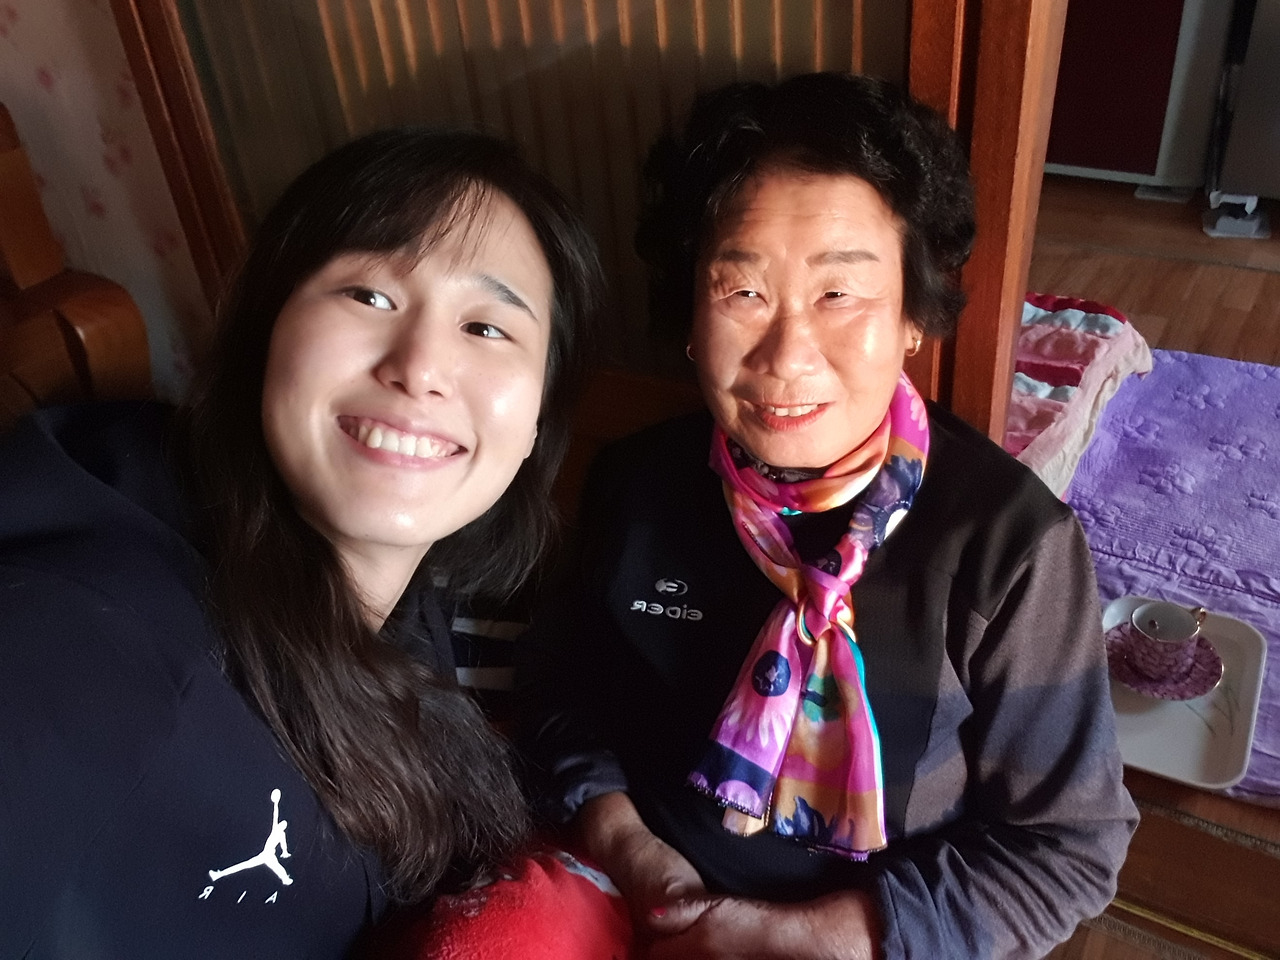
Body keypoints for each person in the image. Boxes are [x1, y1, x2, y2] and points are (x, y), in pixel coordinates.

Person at [520, 72, 1138, 959]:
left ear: (914, 318)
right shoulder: (633, 483)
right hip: (636, 900)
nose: (787, 355)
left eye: (839, 294)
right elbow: (562, 693)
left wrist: (817, 939)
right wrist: (635, 856)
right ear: (690, 316)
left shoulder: (1009, 548)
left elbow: (1067, 846)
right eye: (742, 293)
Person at [0, 127, 601, 958]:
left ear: (537, 420)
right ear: (265, 334)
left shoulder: (410, 603)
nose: (420, 367)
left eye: (487, 327)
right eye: (369, 295)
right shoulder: (89, 644)